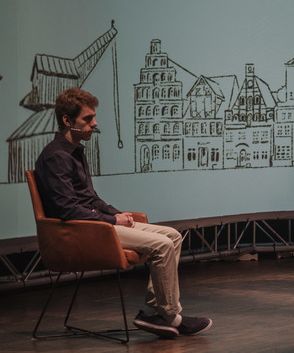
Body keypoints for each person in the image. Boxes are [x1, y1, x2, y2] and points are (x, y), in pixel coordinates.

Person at [34, 88, 212, 338]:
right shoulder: (56, 157)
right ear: (66, 120)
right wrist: (110, 220)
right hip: (81, 232)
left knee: (172, 236)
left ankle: (154, 313)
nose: (94, 124)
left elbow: (89, 198)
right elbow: (67, 209)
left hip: (96, 224)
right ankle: (170, 316)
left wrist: (119, 214)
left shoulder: (74, 152)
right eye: (87, 119)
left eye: (93, 117)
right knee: (161, 245)